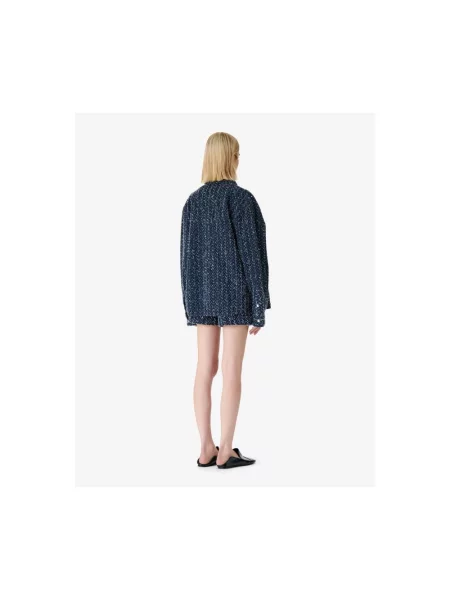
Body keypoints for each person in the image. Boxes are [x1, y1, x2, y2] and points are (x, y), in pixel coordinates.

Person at [180, 132, 271, 469]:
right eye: (237, 154)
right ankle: (225, 450)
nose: (238, 159)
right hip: (235, 294)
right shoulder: (241, 199)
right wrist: (259, 305)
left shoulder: (192, 202)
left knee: (205, 368)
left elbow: (185, 258)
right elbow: (252, 255)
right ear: (231, 158)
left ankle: (206, 447)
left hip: (202, 294)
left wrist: (190, 302)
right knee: (231, 369)